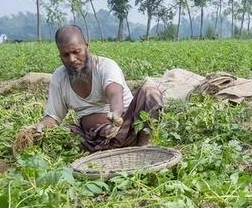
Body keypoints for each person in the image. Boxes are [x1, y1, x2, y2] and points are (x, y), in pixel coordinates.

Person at [29, 25, 163, 152]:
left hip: (127, 130)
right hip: (91, 139)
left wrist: (115, 113)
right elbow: (53, 117)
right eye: (65, 55)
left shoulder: (105, 66)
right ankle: (107, 148)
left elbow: (115, 94)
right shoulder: (59, 77)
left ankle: (144, 146)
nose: (72, 59)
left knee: (150, 91)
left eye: (76, 52)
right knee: (62, 134)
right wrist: (41, 127)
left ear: (86, 46)